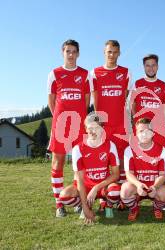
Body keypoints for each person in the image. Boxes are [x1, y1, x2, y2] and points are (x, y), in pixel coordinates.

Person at [47, 39, 90, 217]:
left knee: (79, 163)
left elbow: (86, 102)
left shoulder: (85, 74)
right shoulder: (54, 73)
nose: (71, 54)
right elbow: (52, 101)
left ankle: (78, 201)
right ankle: (59, 204)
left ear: (78, 53)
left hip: (79, 125)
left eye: (74, 51)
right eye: (68, 51)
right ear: (62, 53)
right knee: (58, 162)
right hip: (60, 125)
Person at [90, 40, 131, 210]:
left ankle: (121, 196)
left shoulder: (126, 73)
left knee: (120, 160)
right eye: (109, 52)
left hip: (120, 124)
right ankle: (103, 198)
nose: (112, 55)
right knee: (104, 160)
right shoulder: (95, 72)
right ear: (104, 52)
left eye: (114, 52)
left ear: (119, 53)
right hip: (104, 125)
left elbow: (125, 97)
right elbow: (95, 100)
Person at [58, 113, 120, 223]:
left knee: (115, 192)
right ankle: (84, 206)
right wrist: (85, 208)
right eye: (89, 128)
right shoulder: (78, 149)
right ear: (85, 129)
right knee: (64, 197)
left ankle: (108, 206)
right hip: (85, 187)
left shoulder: (110, 146)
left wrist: (96, 188)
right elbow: (80, 180)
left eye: (96, 128)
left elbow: (116, 174)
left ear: (102, 129)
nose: (92, 131)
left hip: (102, 186)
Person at [120, 118, 165, 220]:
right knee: (125, 190)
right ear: (136, 133)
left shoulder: (162, 150)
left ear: (152, 133)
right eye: (141, 131)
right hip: (137, 186)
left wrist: (155, 187)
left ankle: (157, 208)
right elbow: (129, 174)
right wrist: (138, 185)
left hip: (154, 186)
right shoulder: (129, 150)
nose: (144, 134)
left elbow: (162, 175)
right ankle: (134, 209)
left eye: (147, 131)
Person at [131, 54, 165, 149]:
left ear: (157, 67)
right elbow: (132, 104)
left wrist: (158, 123)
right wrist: (138, 122)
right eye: (148, 65)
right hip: (141, 129)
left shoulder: (164, 85)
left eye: (153, 65)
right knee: (140, 159)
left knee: (158, 158)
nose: (151, 68)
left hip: (158, 130)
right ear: (144, 67)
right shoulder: (137, 84)